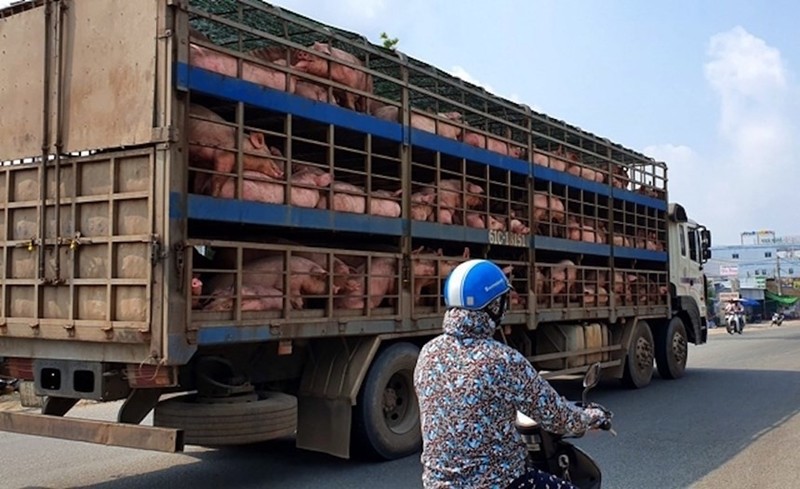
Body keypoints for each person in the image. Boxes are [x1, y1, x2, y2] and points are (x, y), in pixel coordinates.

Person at [413, 259, 609, 489]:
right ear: (495, 306)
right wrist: (591, 417)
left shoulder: (428, 353)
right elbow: (557, 417)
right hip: (499, 483)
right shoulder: (503, 360)